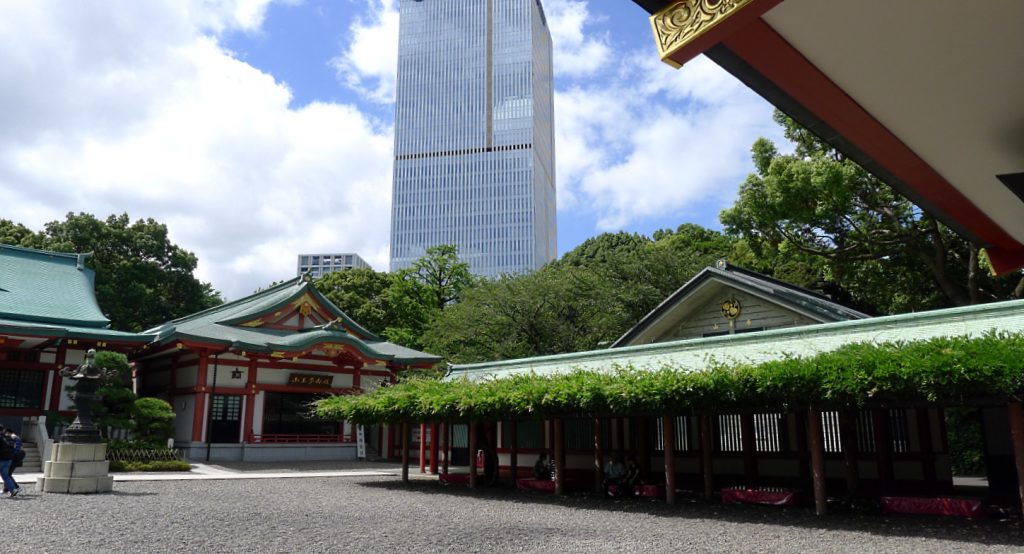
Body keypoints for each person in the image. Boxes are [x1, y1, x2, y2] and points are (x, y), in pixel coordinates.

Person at [0, 425, 20, 497]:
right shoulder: (9, 437)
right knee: (6, 476)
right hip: (9, 459)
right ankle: (13, 490)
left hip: (1, 459)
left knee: (5, 476)